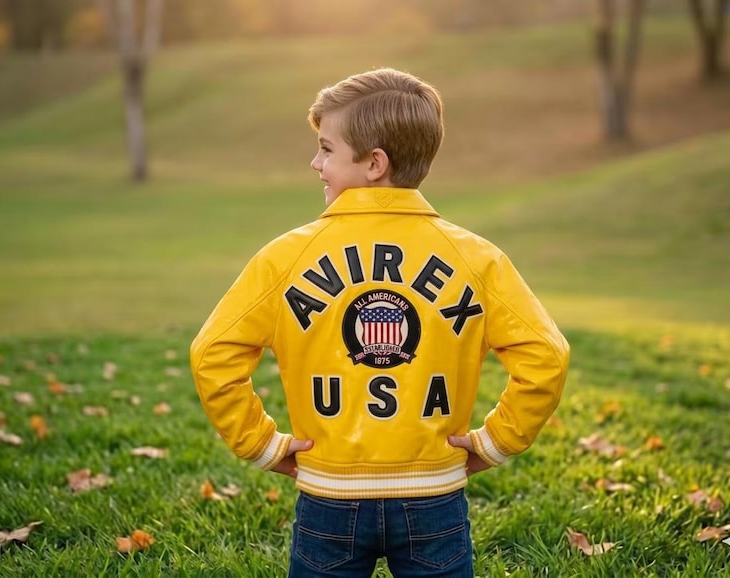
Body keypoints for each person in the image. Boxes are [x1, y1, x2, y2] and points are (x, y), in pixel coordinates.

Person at [190, 67, 570, 578]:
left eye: (326, 149)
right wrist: (494, 443)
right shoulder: (475, 258)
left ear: (374, 164)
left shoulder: (287, 257)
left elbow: (212, 353)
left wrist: (261, 445)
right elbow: (546, 355)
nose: (315, 162)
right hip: (434, 495)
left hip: (330, 496)